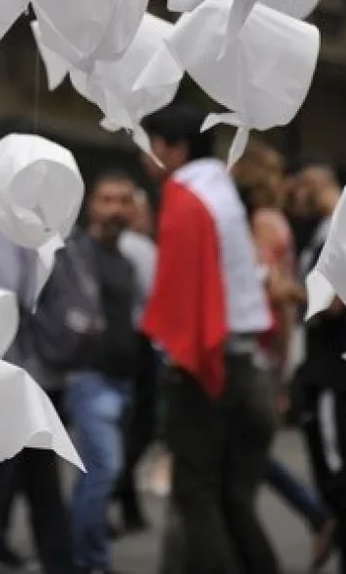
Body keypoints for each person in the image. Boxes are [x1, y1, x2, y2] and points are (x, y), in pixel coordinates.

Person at [140, 104, 277, 574]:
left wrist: (183, 356)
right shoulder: (221, 190)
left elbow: (183, 288)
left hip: (207, 361)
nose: (147, 157)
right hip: (245, 358)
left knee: (196, 492)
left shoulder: (184, 195)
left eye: (150, 146)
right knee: (232, 497)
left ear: (172, 149)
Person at [0, 175, 75, 574]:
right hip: (45, 366)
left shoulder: (2, 214)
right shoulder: (47, 209)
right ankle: (59, 560)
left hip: (11, 365)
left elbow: (7, 292)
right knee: (41, 479)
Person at [233, 142, 335, 570]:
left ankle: (314, 512)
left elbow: (275, 294)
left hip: (261, 352)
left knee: (243, 456)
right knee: (245, 454)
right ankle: (313, 511)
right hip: (267, 351)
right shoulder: (271, 222)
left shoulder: (264, 225)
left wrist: (276, 365)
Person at [57, 171, 142, 574]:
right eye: (107, 199)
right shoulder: (78, 253)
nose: (116, 209)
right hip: (90, 378)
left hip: (123, 380)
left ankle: (82, 557)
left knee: (95, 474)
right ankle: (91, 561)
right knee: (106, 468)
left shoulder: (126, 261)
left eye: (124, 200)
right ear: (92, 205)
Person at [292, 160, 346, 574]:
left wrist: (291, 292)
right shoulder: (322, 234)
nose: (298, 192)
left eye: (310, 185)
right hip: (321, 371)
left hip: (334, 376)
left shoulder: (342, 236)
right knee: (331, 477)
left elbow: (334, 306)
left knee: (341, 479)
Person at [111, 188, 158, 536]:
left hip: (120, 344)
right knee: (140, 425)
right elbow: (153, 296)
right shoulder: (141, 248)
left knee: (125, 426)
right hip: (141, 342)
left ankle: (126, 501)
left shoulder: (118, 247)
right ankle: (118, 486)